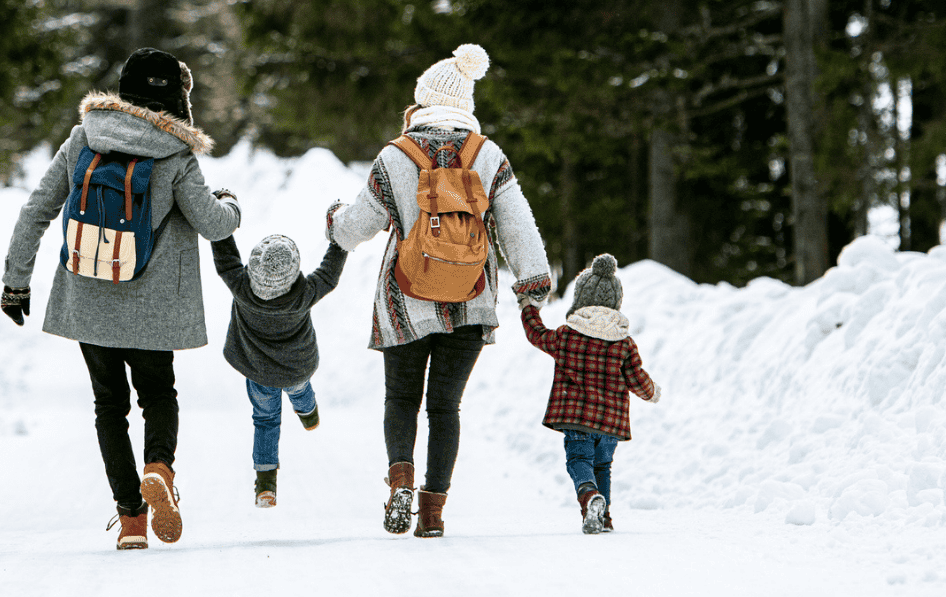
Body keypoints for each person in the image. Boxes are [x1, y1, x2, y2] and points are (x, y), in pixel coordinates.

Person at [0, 48, 242, 551]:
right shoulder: (176, 153)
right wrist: (231, 204)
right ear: (176, 97)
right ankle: (159, 469)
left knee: (109, 406)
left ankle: (131, 520)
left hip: (90, 298)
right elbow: (214, 224)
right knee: (158, 395)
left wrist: (15, 282)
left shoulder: (84, 137)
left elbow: (36, 210)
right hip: (153, 307)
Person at [325, 43, 553, 538]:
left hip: (405, 300)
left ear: (422, 101)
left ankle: (400, 480)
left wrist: (333, 223)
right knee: (445, 407)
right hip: (472, 300)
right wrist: (533, 289)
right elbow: (519, 227)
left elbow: (357, 228)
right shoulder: (487, 155)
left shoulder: (396, 155)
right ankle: (432, 513)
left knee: (401, 399)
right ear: (466, 105)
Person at [519, 253, 659, 534]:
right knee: (603, 466)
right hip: (610, 423)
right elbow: (636, 379)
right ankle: (603, 517)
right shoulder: (624, 343)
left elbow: (537, 334)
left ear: (581, 299)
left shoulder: (566, 335)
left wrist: (528, 308)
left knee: (579, 462)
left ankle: (588, 497)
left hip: (577, 418)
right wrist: (652, 392)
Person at [208, 232, 349, 507]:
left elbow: (226, 259)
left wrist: (221, 216)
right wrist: (339, 239)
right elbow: (329, 275)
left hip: (259, 374)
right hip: (297, 369)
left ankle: (266, 485)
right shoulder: (304, 294)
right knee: (301, 391)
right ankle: (308, 415)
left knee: (265, 420)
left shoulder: (241, 287)